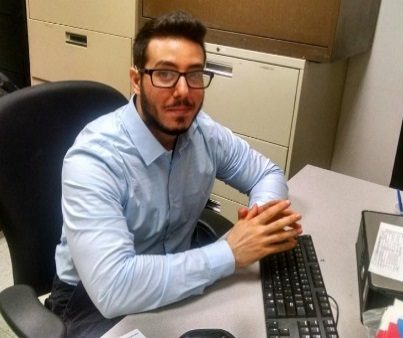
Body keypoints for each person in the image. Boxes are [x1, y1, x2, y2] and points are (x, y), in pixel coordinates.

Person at [48, 10, 302, 336]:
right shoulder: (94, 159)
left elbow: (267, 173)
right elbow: (113, 288)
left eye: (194, 74)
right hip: (93, 300)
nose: (183, 90)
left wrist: (259, 220)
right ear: (137, 80)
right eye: (165, 74)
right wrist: (231, 252)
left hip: (179, 271)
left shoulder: (202, 133)